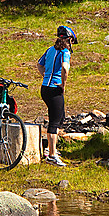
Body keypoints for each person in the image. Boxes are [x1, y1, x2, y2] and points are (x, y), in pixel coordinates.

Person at [37, 25, 77, 166]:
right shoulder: (65, 52)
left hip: (45, 88)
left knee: (59, 116)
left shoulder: (50, 50)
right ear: (69, 40)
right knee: (54, 121)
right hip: (55, 89)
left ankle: (50, 148)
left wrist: (45, 76)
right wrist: (63, 84)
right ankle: (52, 155)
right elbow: (65, 68)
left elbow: (39, 64)